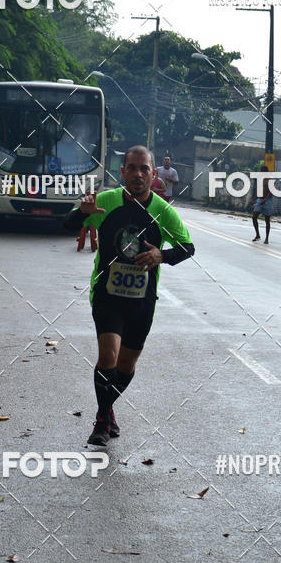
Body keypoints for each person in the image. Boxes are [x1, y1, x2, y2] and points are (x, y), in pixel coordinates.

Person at [64, 145, 195, 446]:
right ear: (122, 171)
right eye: (132, 168)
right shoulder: (106, 201)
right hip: (107, 296)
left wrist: (161, 255)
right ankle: (100, 420)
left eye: (144, 169)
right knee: (108, 356)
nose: (138, 174)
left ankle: (108, 408)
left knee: (126, 366)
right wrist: (80, 215)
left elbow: (188, 248)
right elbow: (68, 222)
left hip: (142, 301)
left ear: (153, 175)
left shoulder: (163, 210)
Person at [249, 165, 274, 244]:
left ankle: (267, 238)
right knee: (254, 217)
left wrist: (265, 200)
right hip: (260, 199)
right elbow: (258, 190)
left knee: (267, 220)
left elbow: (271, 192)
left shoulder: (270, 179)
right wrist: (253, 199)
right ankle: (258, 235)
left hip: (268, 201)